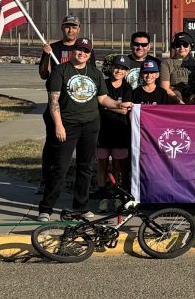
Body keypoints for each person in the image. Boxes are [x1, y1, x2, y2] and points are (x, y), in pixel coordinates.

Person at [39, 38, 133, 221]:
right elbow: (54, 101)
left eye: (86, 51)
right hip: (67, 125)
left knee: (86, 167)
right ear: (74, 51)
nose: (82, 53)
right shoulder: (61, 70)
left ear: (90, 54)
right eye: (79, 49)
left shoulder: (94, 73)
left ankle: (81, 207)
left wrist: (118, 103)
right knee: (60, 167)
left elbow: (103, 98)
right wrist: (58, 124)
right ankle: (46, 208)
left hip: (91, 125)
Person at [36, 15, 94, 194]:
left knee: (80, 146)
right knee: (53, 143)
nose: (71, 30)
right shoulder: (53, 48)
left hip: (77, 103)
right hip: (57, 103)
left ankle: (73, 179)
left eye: (74, 27)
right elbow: (44, 74)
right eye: (67, 27)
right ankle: (47, 179)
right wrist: (46, 56)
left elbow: (90, 75)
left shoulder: (83, 49)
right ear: (62, 28)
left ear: (79, 29)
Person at [95, 55, 133, 213]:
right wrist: (112, 106)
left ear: (127, 72)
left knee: (118, 166)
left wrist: (106, 106)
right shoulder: (102, 83)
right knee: (102, 164)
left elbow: (124, 110)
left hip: (120, 131)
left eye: (123, 69)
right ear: (111, 68)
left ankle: (118, 195)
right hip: (102, 130)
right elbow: (98, 102)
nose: (119, 71)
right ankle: (103, 196)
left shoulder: (127, 88)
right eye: (117, 67)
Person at [159, 32, 195, 104]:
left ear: (190, 46)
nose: (182, 48)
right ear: (174, 47)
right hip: (175, 104)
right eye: (178, 45)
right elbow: (165, 88)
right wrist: (181, 103)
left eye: (185, 45)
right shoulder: (166, 63)